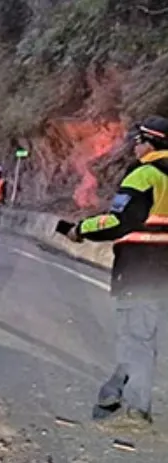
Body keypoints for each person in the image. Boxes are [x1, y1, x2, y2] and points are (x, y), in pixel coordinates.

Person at [67, 116, 168, 427]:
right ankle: (116, 390)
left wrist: (81, 229)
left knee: (136, 337)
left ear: (148, 142)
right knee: (142, 335)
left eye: (138, 141)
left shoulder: (144, 175)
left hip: (140, 266)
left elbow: (119, 221)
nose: (135, 147)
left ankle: (136, 410)